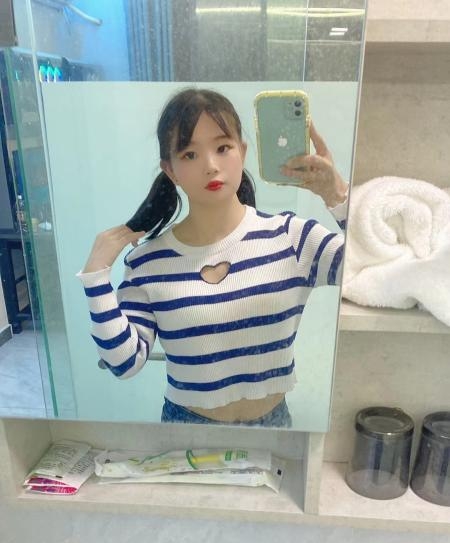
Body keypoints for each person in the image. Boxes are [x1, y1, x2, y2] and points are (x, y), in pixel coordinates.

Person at [78, 88, 348, 427]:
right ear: (171, 170)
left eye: (223, 148)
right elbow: (123, 362)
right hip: (185, 430)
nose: (210, 166)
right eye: (190, 154)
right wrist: (95, 278)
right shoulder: (147, 262)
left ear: (243, 152)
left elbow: (369, 275)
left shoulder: (292, 238)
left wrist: (336, 194)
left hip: (273, 428)